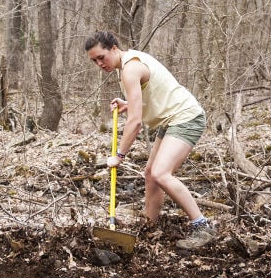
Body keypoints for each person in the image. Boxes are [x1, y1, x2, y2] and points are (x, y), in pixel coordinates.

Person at [83, 31, 214, 250]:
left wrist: (119, 155)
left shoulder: (130, 69)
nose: (99, 63)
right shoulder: (129, 64)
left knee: (161, 173)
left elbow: (135, 123)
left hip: (185, 117)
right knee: (151, 175)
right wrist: (127, 103)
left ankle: (203, 226)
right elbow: (149, 95)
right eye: (94, 61)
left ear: (114, 48)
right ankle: (148, 229)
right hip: (171, 119)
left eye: (101, 57)